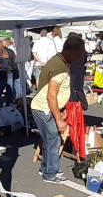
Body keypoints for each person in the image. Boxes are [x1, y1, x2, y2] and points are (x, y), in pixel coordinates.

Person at [31, 35, 86, 183]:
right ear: (72, 51)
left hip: (42, 107)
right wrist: (59, 119)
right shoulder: (59, 66)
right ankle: (50, 174)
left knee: (49, 140)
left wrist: (60, 109)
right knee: (54, 140)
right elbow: (51, 95)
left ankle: (46, 169)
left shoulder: (60, 61)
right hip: (44, 108)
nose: (81, 56)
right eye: (80, 53)